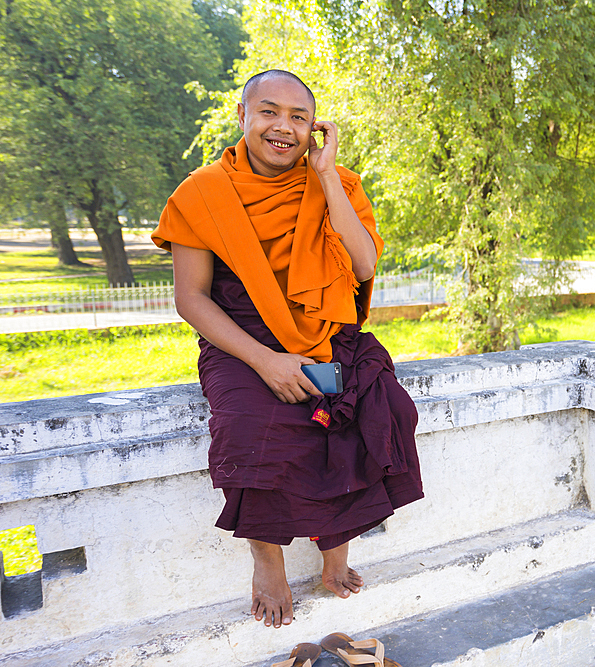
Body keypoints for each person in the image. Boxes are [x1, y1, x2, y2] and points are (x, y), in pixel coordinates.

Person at [152, 70, 423, 629]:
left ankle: (335, 548)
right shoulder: (200, 194)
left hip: (326, 330)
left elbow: (365, 265)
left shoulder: (338, 183)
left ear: (314, 127)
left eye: (299, 118)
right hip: (241, 340)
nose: (284, 127)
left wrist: (325, 178)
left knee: (369, 414)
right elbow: (192, 299)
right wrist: (265, 361)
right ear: (242, 116)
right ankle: (267, 560)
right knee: (253, 432)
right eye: (269, 112)